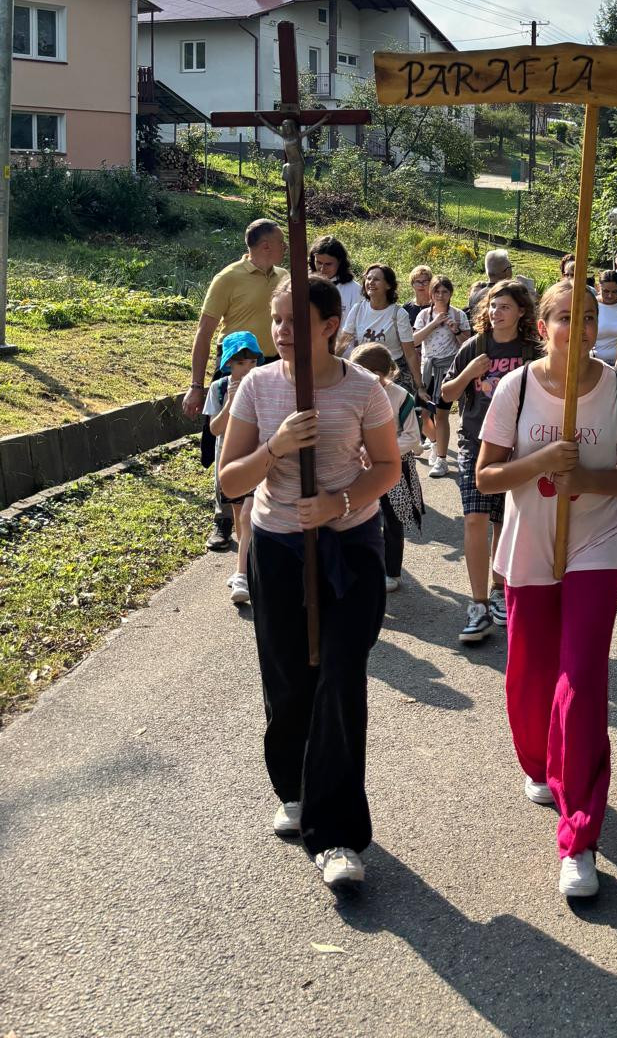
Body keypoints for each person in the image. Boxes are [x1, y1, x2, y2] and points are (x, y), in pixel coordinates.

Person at [218, 275, 401, 892]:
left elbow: (388, 466)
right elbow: (230, 481)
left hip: (349, 548)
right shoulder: (258, 386)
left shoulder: (364, 389)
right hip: (278, 548)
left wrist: (337, 502)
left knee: (341, 679)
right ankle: (294, 787)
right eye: (277, 321)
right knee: (289, 678)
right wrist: (275, 447)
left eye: (296, 321)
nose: (282, 332)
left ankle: (338, 834)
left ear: (330, 326)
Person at [476, 282, 617, 899]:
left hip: (595, 545)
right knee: (530, 673)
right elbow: (487, 476)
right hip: (530, 543)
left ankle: (579, 836)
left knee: (581, 680)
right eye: (566, 318)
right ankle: (539, 761)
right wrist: (544, 461)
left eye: (589, 318)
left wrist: (589, 480)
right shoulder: (516, 388)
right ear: (542, 327)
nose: (579, 329)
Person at [439, 280, 542, 644]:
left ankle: (499, 591)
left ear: (521, 312)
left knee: (503, 521)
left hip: (517, 446)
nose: (497, 312)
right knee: (474, 518)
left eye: (505, 306)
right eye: (493, 306)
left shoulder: (532, 351)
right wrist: (469, 372)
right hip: (475, 442)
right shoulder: (475, 345)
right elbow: (446, 394)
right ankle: (478, 604)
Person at [185, 219, 288, 552]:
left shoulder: (284, 278)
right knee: (225, 441)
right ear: (266, 245)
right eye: (281, 241)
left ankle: (263, 512)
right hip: (234, 367)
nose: (285, 246)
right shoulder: (228, 278)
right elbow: (204, 332)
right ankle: (223, 520)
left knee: (267, 439)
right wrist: (196, 385)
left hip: (272, 365)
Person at [347, 342, 425, 593]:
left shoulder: (401, 397)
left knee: (392, 520)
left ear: (381, 373)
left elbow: (412, 437)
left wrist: (380, 452)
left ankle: (392, 572)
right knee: (360, 517)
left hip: (394, 468)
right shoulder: (353, 394)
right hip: (359, 468)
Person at [202, 331, 264, 607]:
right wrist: (230, 402)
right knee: (240, 517)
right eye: (240, 363)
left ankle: (242, 576)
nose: (247, 369)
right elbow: (215, 429)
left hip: (258, 459)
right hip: (230, 462)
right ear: (228, 363)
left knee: (249, 514)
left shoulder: (264, 384)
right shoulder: (219, 388)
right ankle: (246, 566)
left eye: (252, 362)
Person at [413, 276, 472, 477]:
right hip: (427, 370)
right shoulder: (424, 315)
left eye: (444, 291)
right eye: (436, 291)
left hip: (448, 370)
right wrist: (434, 324)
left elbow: (467, 344)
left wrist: (455, 330)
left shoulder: (458, 315)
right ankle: (435, 443)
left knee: (441, 414)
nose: (440, 295)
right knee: (422, 414)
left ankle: (441, 459)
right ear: (431, 293)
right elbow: (414, 340)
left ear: (450, 294)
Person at [337, 263, 422, 395]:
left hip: (393, 373)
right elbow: (342, 343)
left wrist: (420, 387)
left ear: (388, 285)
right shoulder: (357, 309)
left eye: (376, 279)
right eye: (368, 278)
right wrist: (327, 365)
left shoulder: (399, 314)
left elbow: (410, 354)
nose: (371, 282)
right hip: (364, 371)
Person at [467, 248, 536, 316]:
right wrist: (530, 297)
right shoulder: (505, 295)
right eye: (510, 267)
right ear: (506, 271)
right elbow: (529, 315)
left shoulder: (475, 294)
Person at [308, 236, 358, 322]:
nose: (322, 269)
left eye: (328, 264)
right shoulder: (304, 285)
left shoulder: (355, 290)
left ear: (340, 262)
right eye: (319, 262)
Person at [402, 265, 434, 329]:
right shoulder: (406, 308)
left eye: (425, 282)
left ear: (431, 283)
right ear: (412, 284)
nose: (421, 285)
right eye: (417, 282)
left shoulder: (436, 306)